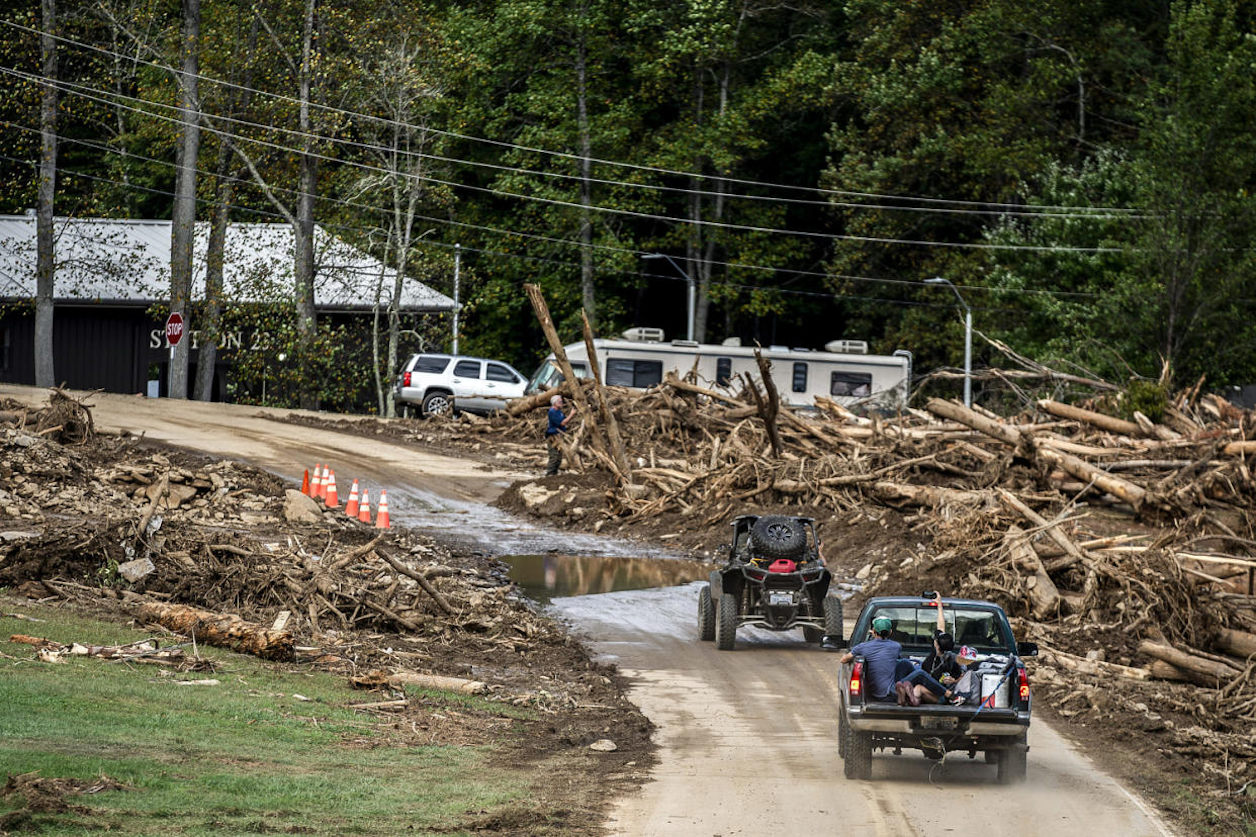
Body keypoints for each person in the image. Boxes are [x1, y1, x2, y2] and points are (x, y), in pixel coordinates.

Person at [840, 616, 901, 703]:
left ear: (873, 631)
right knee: (909, 666)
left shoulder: (863, 647)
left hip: (877, 694)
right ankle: (912, 692)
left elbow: (843, 660)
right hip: (891, 693)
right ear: (890, 632)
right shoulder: (896, 647)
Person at [544, 395, 573, 476]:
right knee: (554, 456)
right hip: (553, 436)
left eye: (561, 402)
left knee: (559, 457)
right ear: (554, 403)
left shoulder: (559, 412)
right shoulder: (552, 411)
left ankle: (555, 473)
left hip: (559, 436)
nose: (561, 403)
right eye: (560, 402)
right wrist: (571, 414)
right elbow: (562, 423)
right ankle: (549, 474)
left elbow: (565, 421)